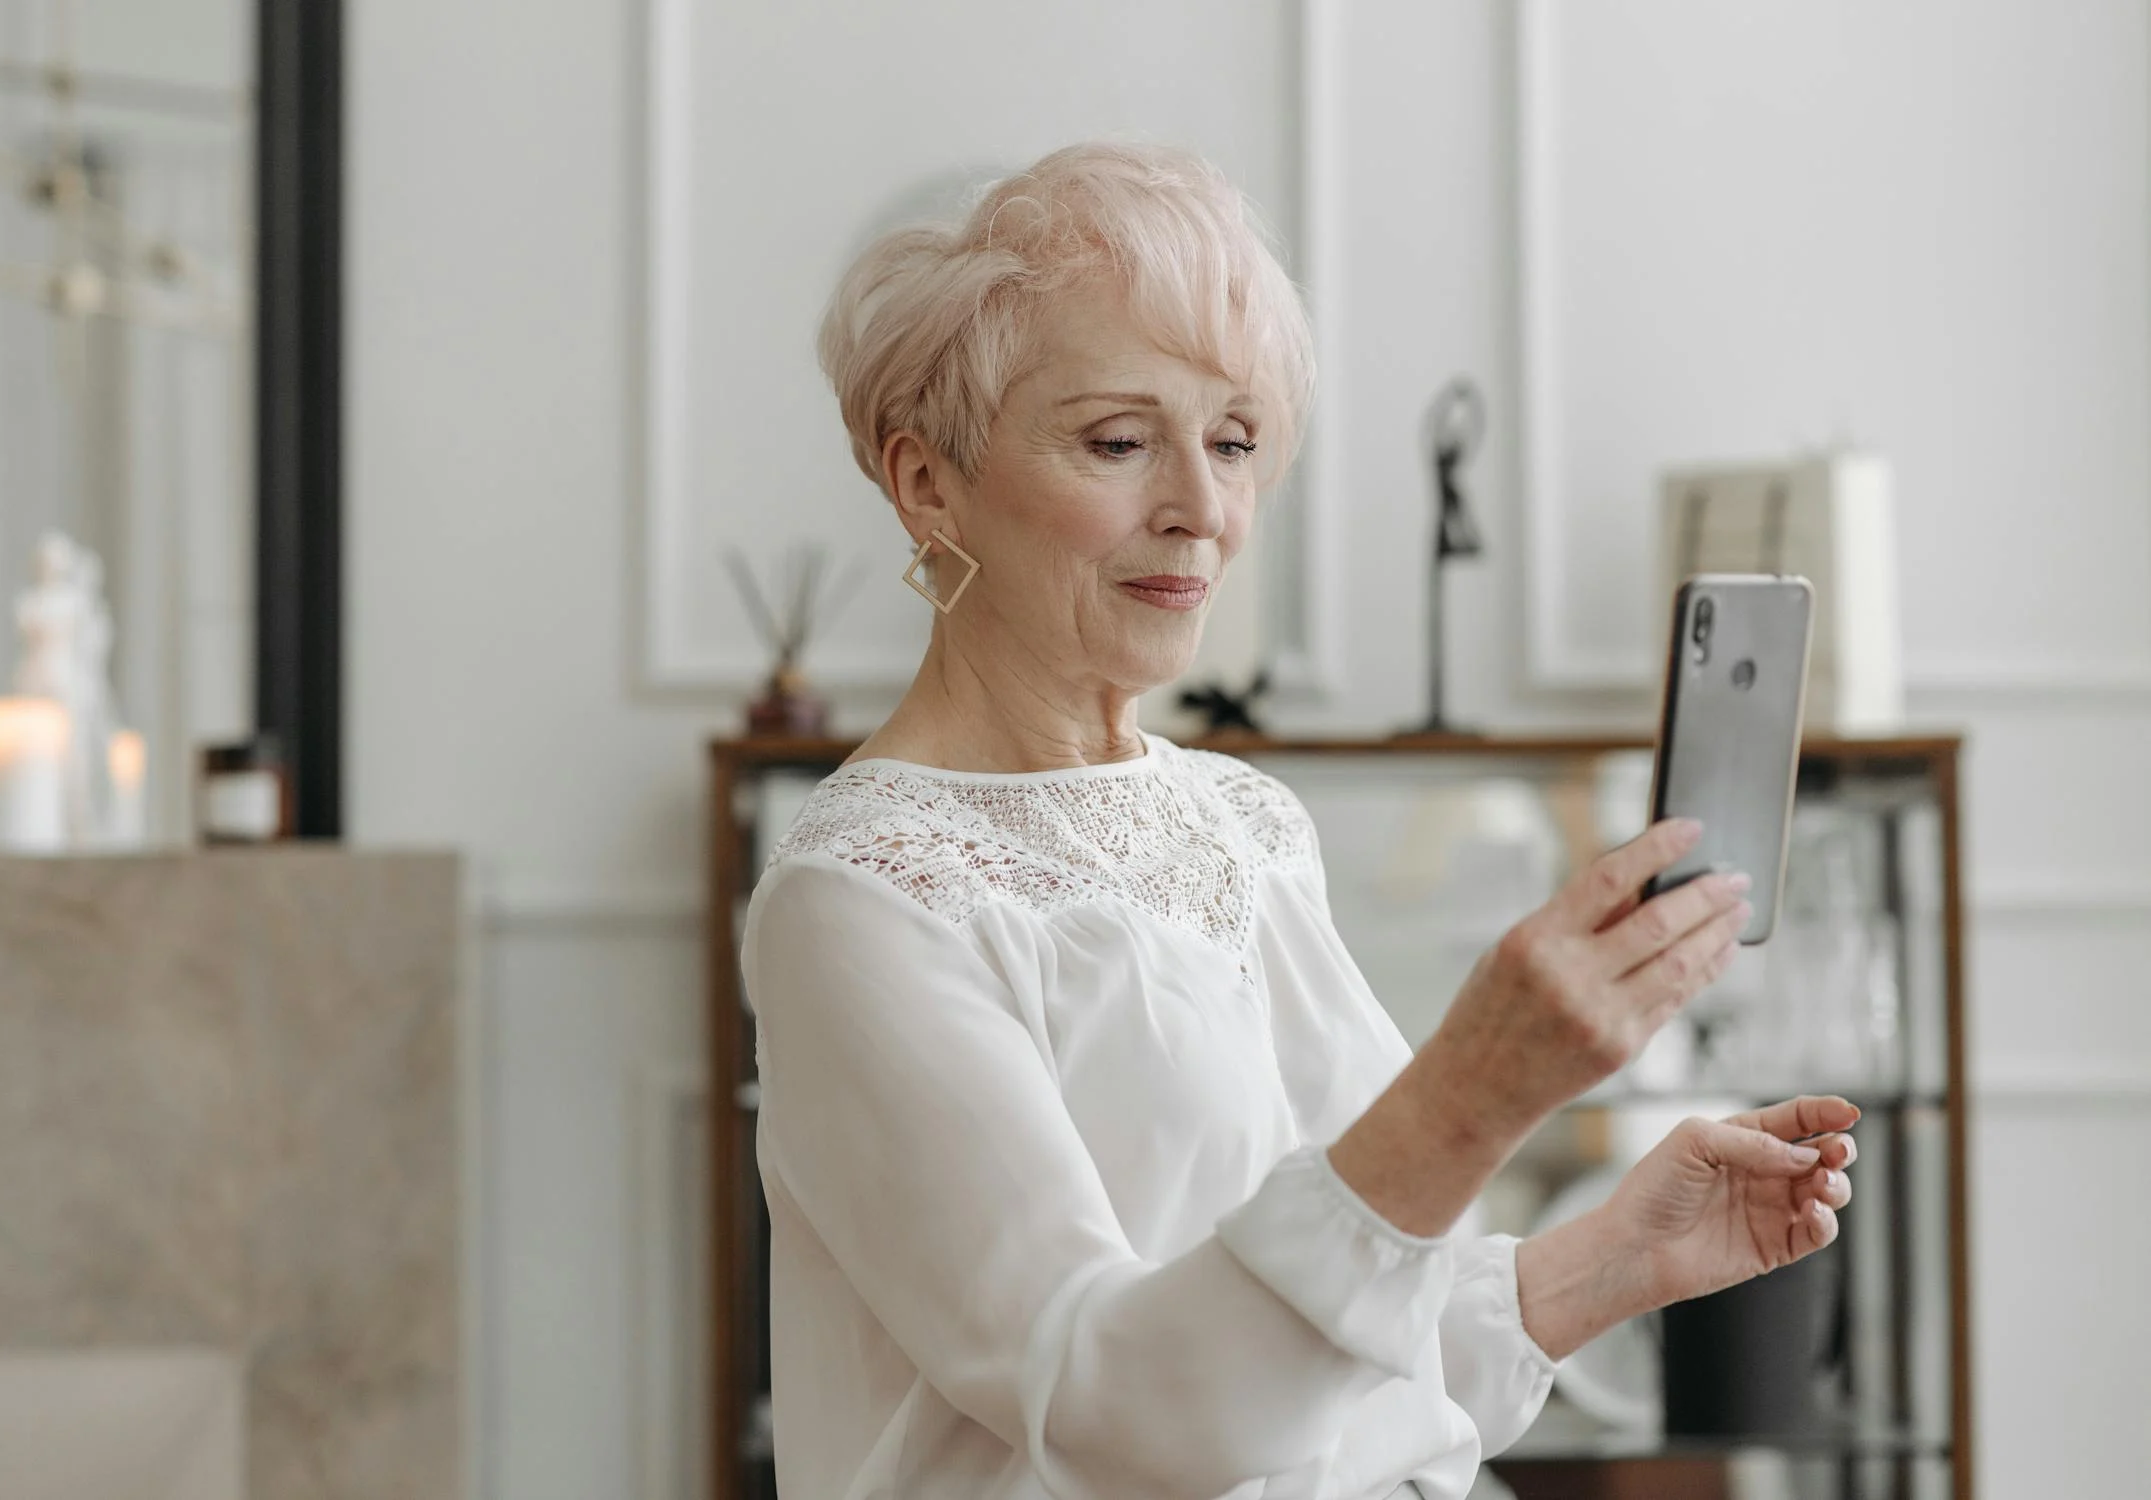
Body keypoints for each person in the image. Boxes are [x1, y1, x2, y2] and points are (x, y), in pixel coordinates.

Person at [742, 140, 1858, 1500]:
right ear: (926, 481)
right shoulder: (860, 898)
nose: (1202, 510)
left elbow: (1348, 1351)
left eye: (1231, 440)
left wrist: (1614, 1258)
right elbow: (1125, 1413)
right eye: (1116, 440)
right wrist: (1472, 1091)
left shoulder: (1242, 822)